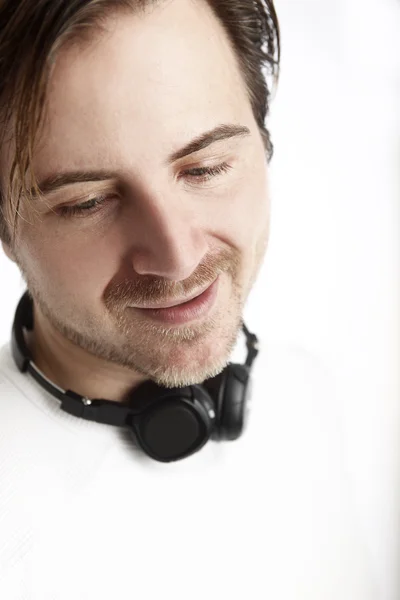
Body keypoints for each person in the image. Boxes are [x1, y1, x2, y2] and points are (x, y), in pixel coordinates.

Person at [0, 0, 374, 598]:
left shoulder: (312, 399)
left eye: (205, 167)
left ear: (263, 141)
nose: (176, 256)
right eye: (87, 202)